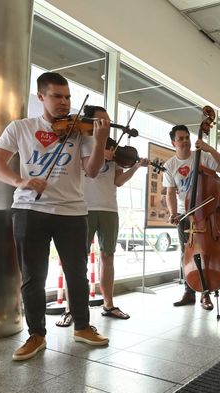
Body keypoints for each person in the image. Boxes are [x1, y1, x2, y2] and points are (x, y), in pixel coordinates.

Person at [0, 72, 110, 361]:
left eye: (68, 97)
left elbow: (92, 171)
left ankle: (82, 326)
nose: (64, 103)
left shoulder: (80, 131)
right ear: (41, 97)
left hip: (72, 210)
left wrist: (101, 141)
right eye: (57, 96)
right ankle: (36, 334)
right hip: (30, 209)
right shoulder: (21, 128)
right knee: (33, 276)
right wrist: (21, 181)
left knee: (77, 273)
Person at [55, 105, 149, 327]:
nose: (107, 125)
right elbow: (82, 169)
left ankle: (108, 304)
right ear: (89, 122)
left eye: (108, 121)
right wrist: (98, 153)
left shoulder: (114, 148)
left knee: (108, 256)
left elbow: (117, 181)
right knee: (77, 261)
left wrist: (135, 168)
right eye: (101, 121)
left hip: (109, 208)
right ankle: (71, 309)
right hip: (82, 207)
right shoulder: (77, 141)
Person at [163, 124, 220, 311]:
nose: (185, 141)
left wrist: (209, 149)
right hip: (185, 215)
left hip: (205, 213)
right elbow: (170, 193)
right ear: (173, 142)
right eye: (181, 139)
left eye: (187, 137)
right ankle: (189, 290)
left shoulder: (202, 158)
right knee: (186, 253)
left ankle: (205, 292)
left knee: (206, 251)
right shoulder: (170, 165)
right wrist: (172, 213)